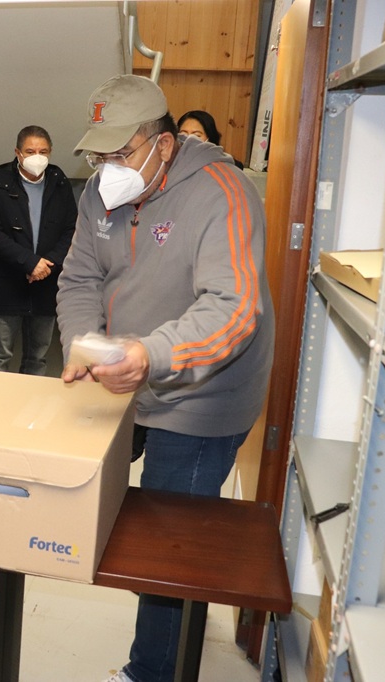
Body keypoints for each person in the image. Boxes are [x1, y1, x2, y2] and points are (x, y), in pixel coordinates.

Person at [57, 75, 274, 682]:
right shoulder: (100, 194)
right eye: (97, 156)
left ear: (164, 142)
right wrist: (81, 343)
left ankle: (152, 671)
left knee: (170, 546)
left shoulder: (221, 191)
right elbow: (78, 278)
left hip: (201, 391)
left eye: (120, 154)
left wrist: (150, 356)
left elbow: (232, 308)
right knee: (114, 514)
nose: (106, 170)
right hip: (126, 375)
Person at [0, 125, 76, 375]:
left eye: (43, 151)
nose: (37, 157)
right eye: (30, 151)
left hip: (46, 281)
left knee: (38, 357)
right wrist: (29, 262)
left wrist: (48, 263)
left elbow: (71, 229)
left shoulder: (60, 183)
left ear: (51, 152)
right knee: (0, 357)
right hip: (8, 282)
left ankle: (30, 413)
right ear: (17, 153)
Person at [176, 109, 245, 169]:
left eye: (197, 135)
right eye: (184, 134)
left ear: (210, 138)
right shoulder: (169, 164)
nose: (189, 139)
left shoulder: (229, 165)